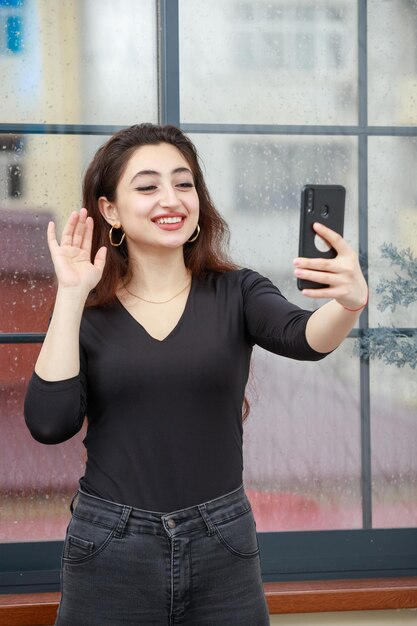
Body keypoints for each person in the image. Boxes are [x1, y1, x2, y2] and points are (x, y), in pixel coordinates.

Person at [24, 123, 368, 626]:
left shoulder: (238, 291)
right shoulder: (87, 311)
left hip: (222, 542)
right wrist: (71, 295)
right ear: (110, 210)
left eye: (184, 184)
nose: (172, 199)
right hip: (109, 546)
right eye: (147, 186)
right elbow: (49, 424)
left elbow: (305, 337)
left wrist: (348, 303)